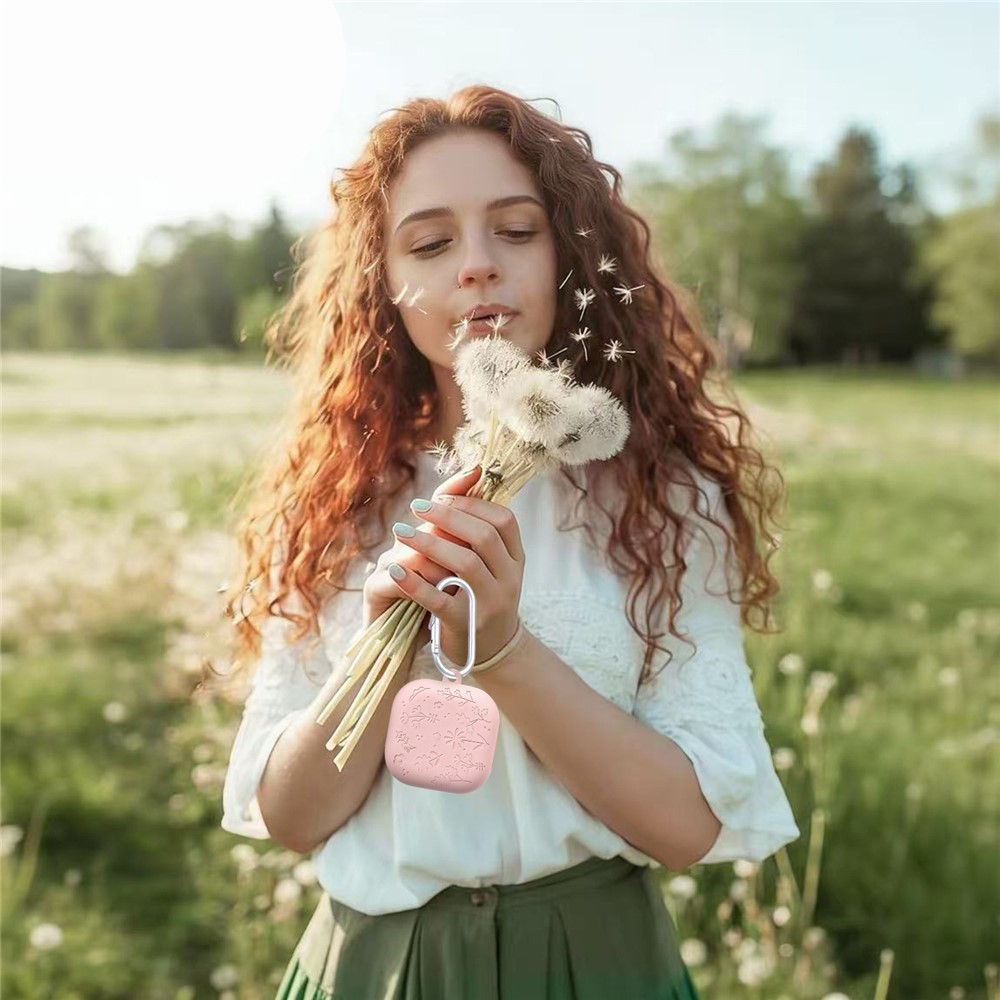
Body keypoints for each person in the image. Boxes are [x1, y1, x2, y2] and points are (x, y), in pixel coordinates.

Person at [217, 84, 800, 1000]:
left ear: (571, 254)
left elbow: (686, 829)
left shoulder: (665, 502)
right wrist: (387, 644)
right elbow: (291, 816)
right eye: (431, 242)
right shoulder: (336, 501)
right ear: (385, 280)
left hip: (596, 967)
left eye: (517, 231)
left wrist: (505, 651)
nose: (478, 266)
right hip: (373, 971)